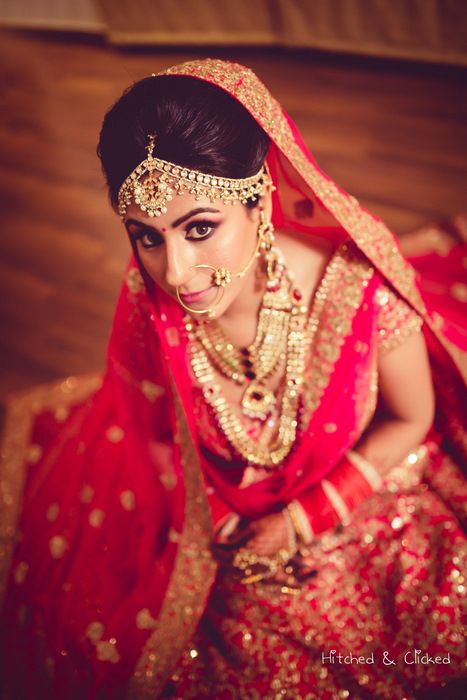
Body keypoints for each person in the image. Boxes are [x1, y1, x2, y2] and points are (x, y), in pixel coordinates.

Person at [0, 58, 465, 700]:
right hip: (235, 534)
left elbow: (410, 419)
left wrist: (303, 519)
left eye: (199, 228)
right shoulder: (152, 303)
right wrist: (215, 519)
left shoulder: (357, 291)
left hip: (365, 493)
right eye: (147, 236)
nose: (179, 273)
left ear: (261, 196)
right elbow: (156, 434)